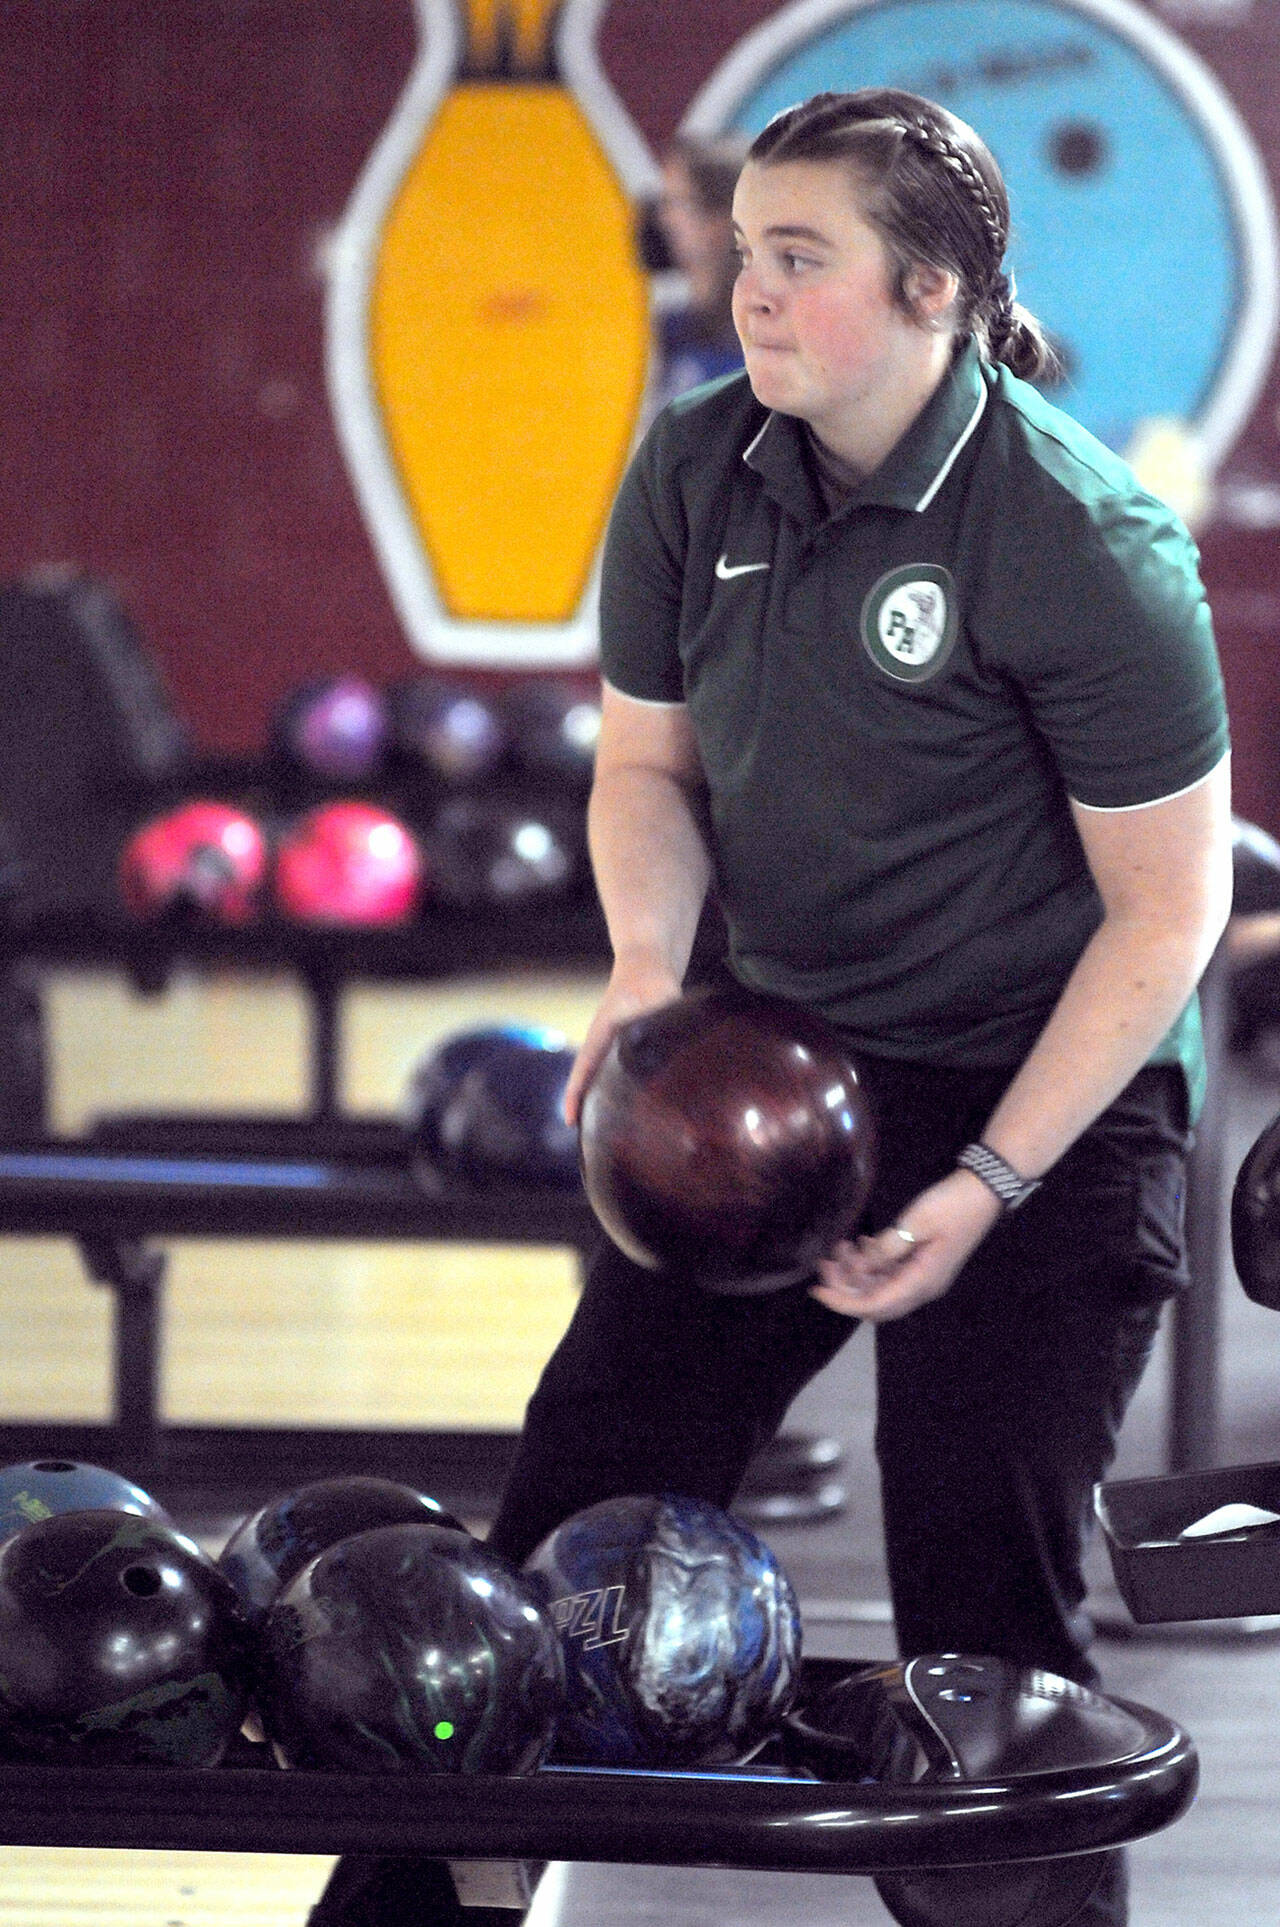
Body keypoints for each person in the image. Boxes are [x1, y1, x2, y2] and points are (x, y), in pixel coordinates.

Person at [309, 89, 1231, 1927]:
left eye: (800, 260)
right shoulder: (691, 471)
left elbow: (1169, 910)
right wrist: (652, 980)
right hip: (778, 1062)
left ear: (937, 290)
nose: (753, 294)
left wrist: (980, 1183)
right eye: (748, 254)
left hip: (1047, 1087)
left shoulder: (1081, 537)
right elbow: (644, 773)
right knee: (560, 1529)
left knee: (984, 1623)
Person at [641, 132, 750, 412]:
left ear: (720, 220)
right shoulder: (670, 330)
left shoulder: (759, 337)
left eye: (675, 202)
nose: (663, 218)